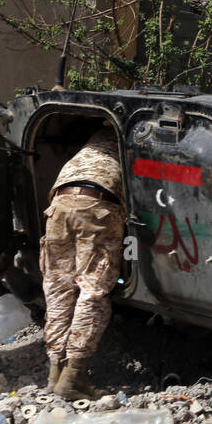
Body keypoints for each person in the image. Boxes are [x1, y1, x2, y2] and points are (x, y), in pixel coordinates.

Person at [41, 125, 126, 399]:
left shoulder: (96, 136)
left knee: (58, 289)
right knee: (92, 292)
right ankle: (74, 378)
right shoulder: (132, 134)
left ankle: (55, 373)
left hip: (59, 205)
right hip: (98, 208)